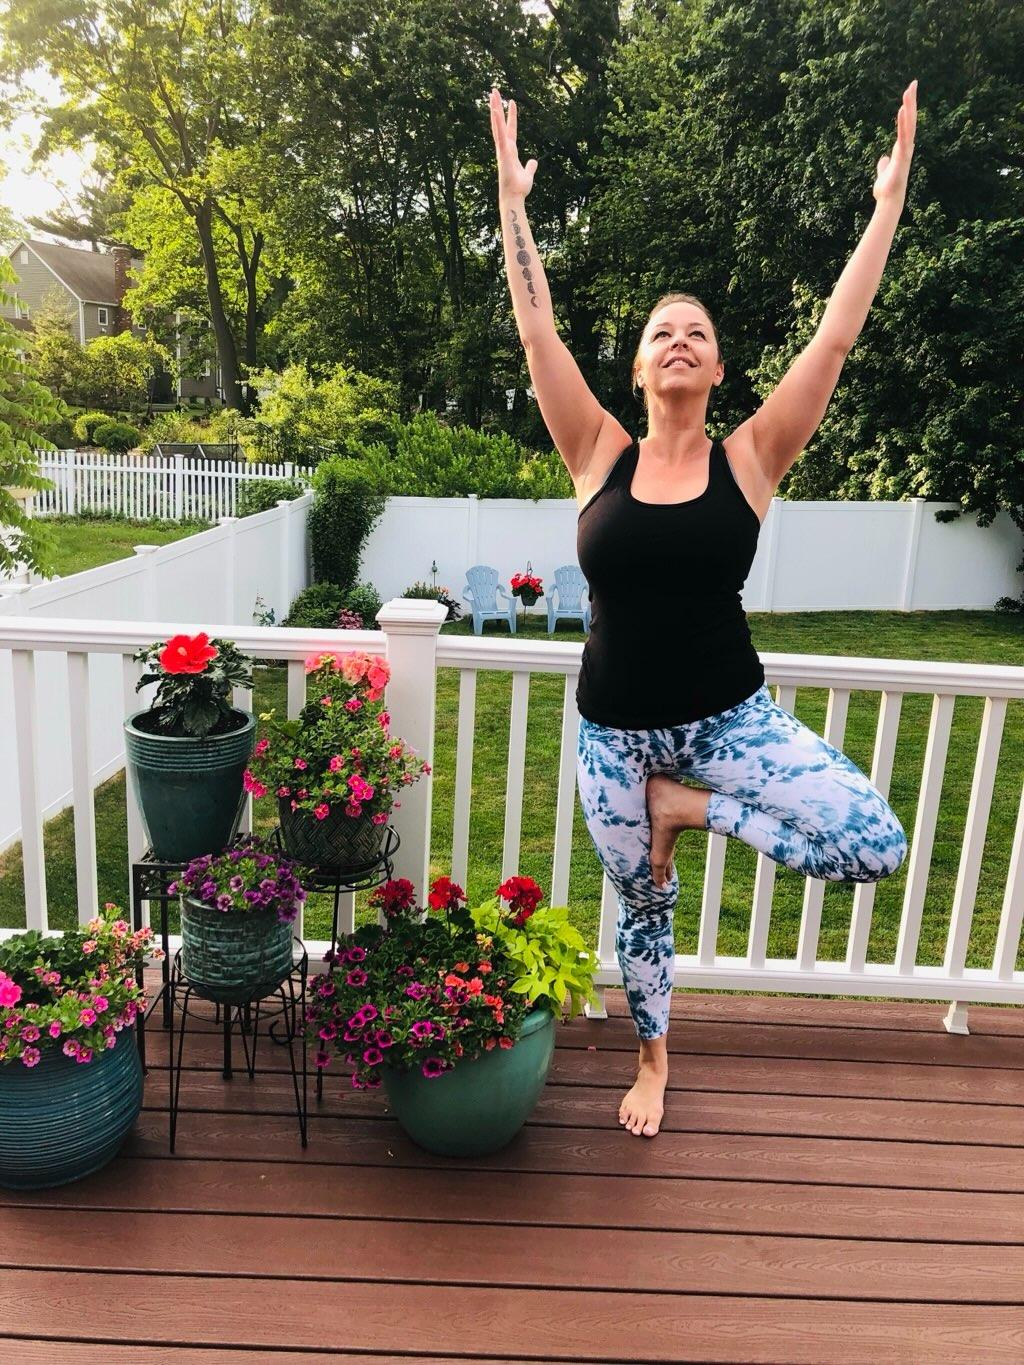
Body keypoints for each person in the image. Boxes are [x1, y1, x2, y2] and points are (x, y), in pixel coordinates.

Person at [489, 81, 917, 1138]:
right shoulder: (597, 450)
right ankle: (652, 1060)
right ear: (639, 366)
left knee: (874, 845)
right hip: (612, 737)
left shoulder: (752, 457)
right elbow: (535, 324)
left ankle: (690, 812)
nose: (677, 339)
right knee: (641, 907)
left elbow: (832, 338)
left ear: (717, 367)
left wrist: (885, 207)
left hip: (731, 724)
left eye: (696, 332)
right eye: (659, 332)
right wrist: (512, 200)